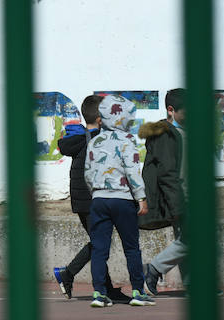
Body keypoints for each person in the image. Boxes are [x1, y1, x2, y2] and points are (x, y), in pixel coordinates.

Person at [51, 94, 128, 302]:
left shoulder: (80, 139)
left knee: (99, 242)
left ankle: (106, 288)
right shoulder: (97, 140)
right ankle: (70, 274)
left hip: (83, 200)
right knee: (99, 243)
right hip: (93, 200)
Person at [84, 94, 149, 308]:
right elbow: (132, 171)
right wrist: (141, 197)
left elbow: (88, 172)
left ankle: (99, 293)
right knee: (131, 247)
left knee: (99, 248)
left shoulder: (94, 141)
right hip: (122, 200)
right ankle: (138, 291)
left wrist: (95, 192)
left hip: (99, 200)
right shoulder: (128, 140)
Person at [139, 87, 187, 298]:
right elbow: (166, 172)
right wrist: (175, 204)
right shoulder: (165, 135)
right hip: (180, 195)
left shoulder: (186, 131)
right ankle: (154, 268)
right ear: (171, 110)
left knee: (185, 238)